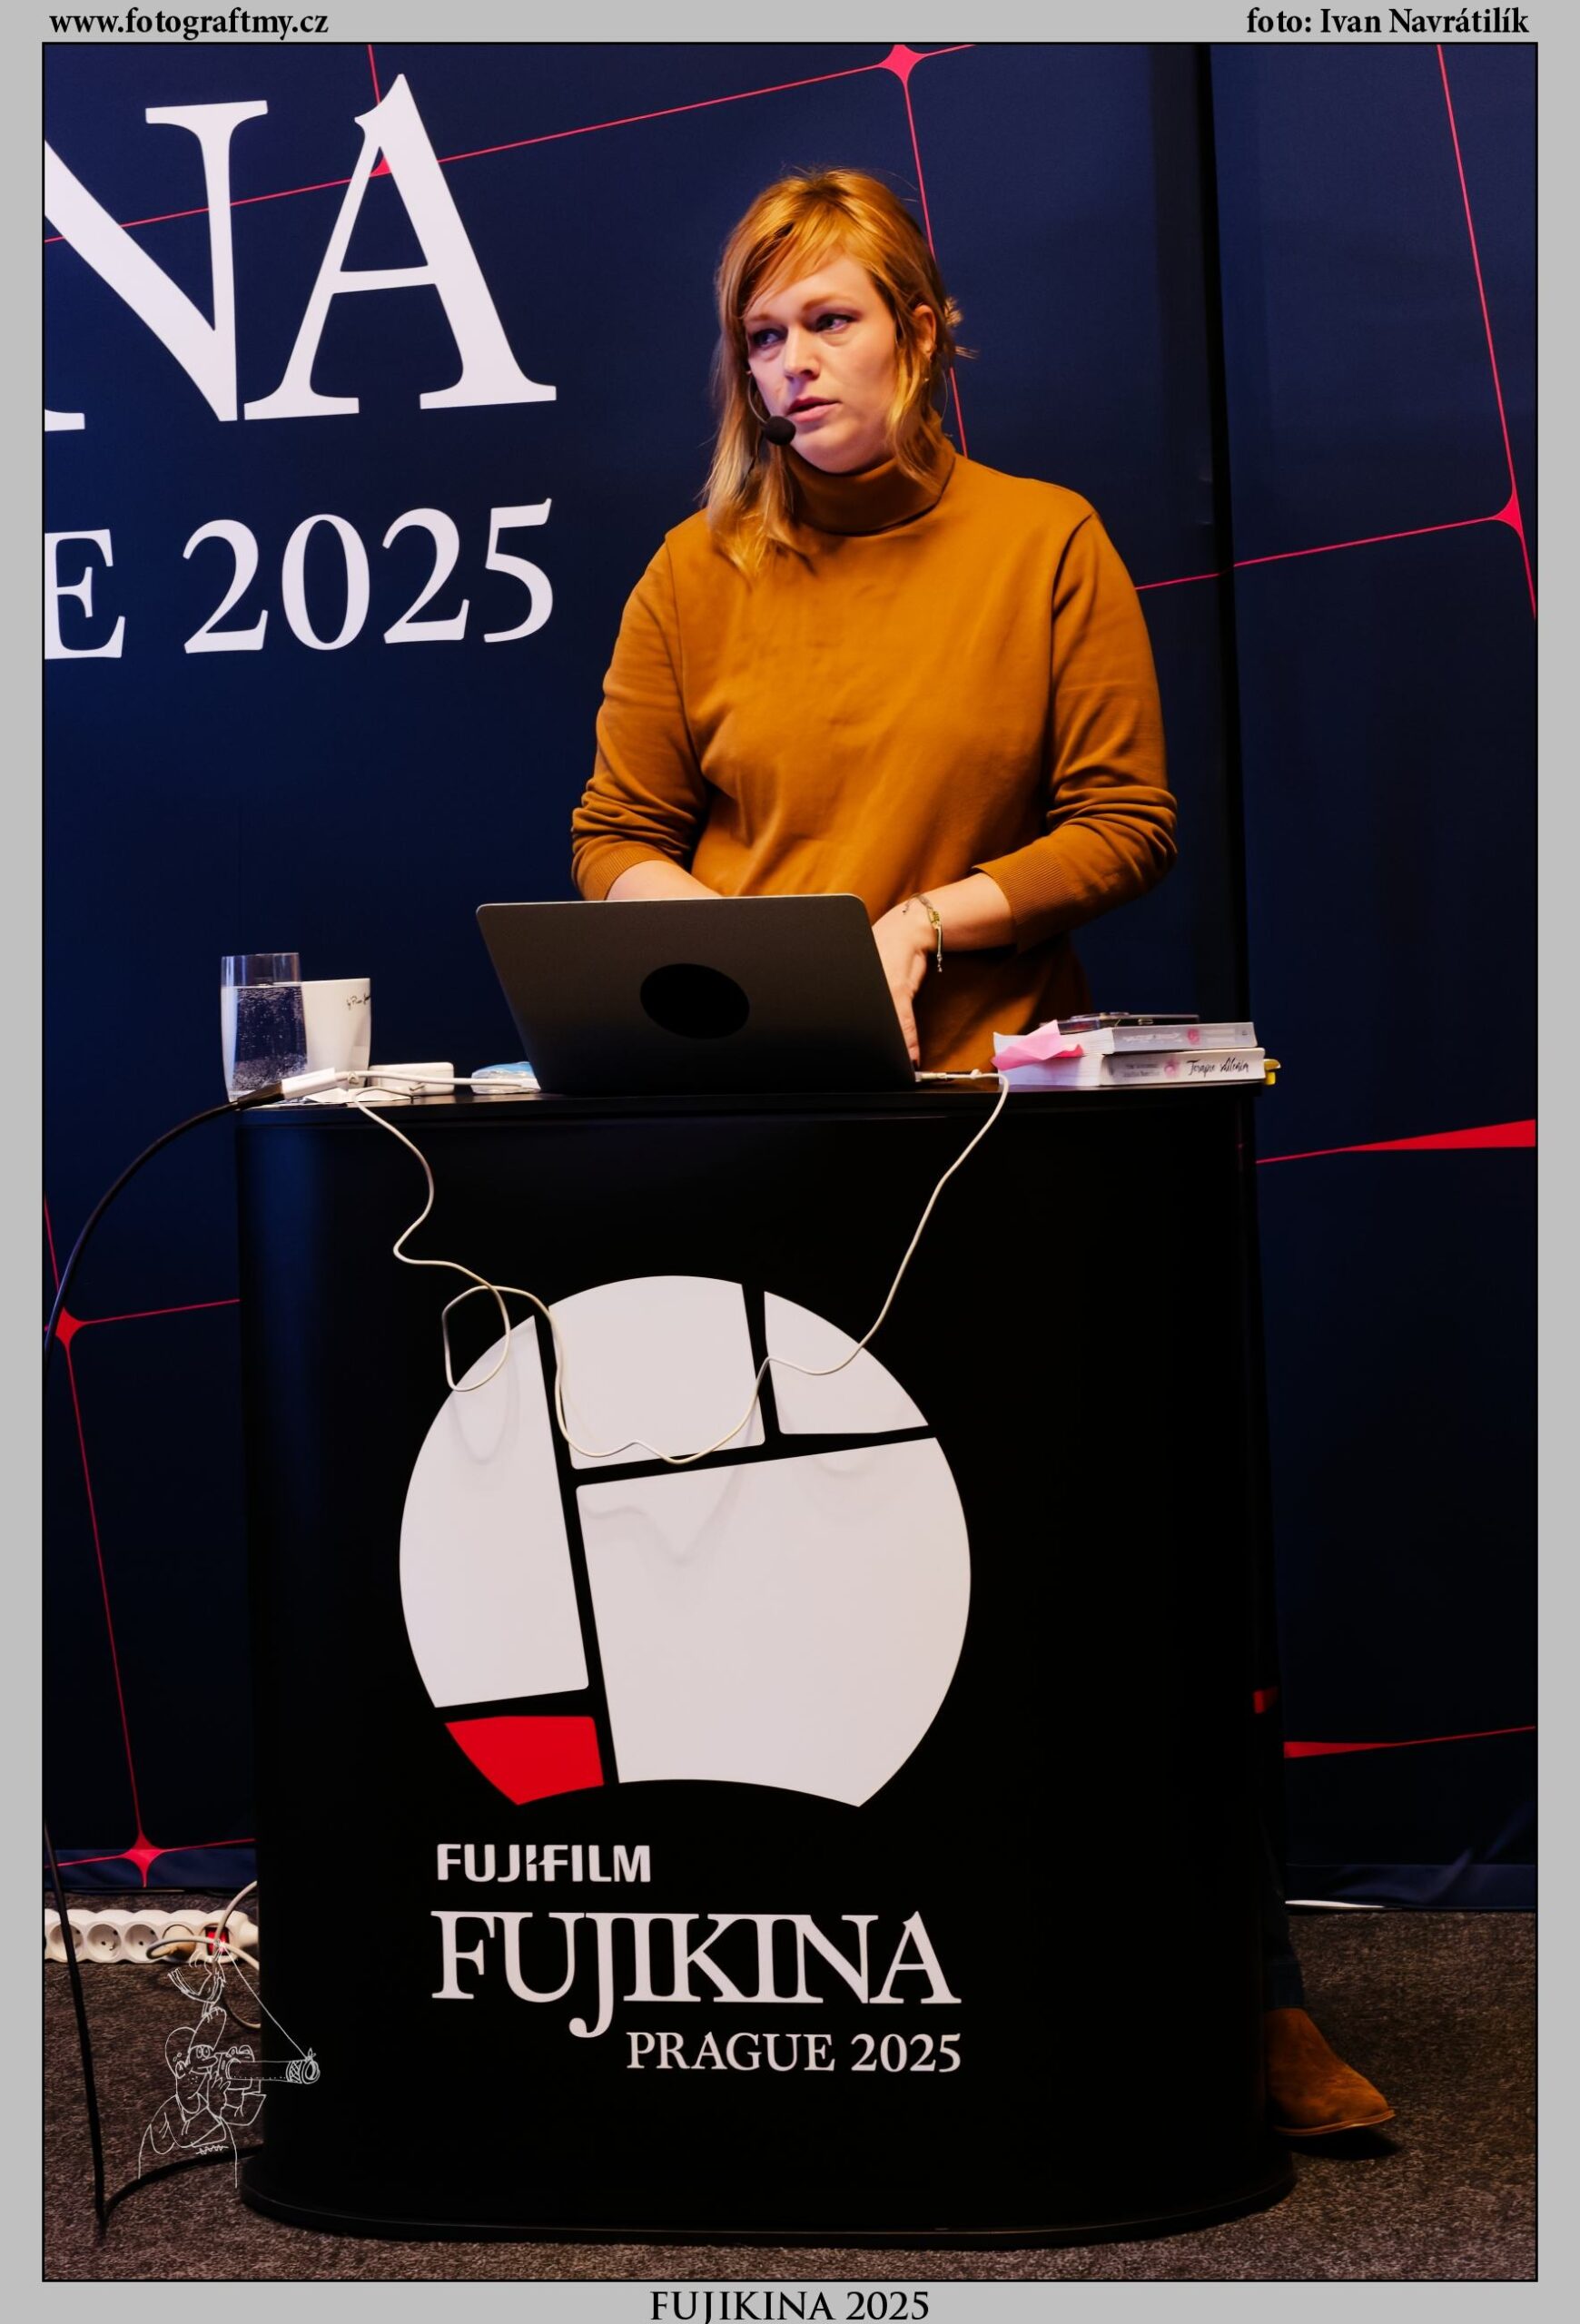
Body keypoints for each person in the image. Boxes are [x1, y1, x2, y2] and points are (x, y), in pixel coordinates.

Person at [571, 166, 1392, 2137]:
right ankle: (826, 1986)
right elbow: (613, 831)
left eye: (830, 322)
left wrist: (928, 921)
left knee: (1113, 1557)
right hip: (755, 1135)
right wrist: (723, 938)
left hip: (992, 1130)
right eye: (763, 336)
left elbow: (1129, 818)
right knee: (771, 1573)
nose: (792, 367)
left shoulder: (1046, 543)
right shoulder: (695, 573)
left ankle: (1242, 1990)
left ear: (925, 333)